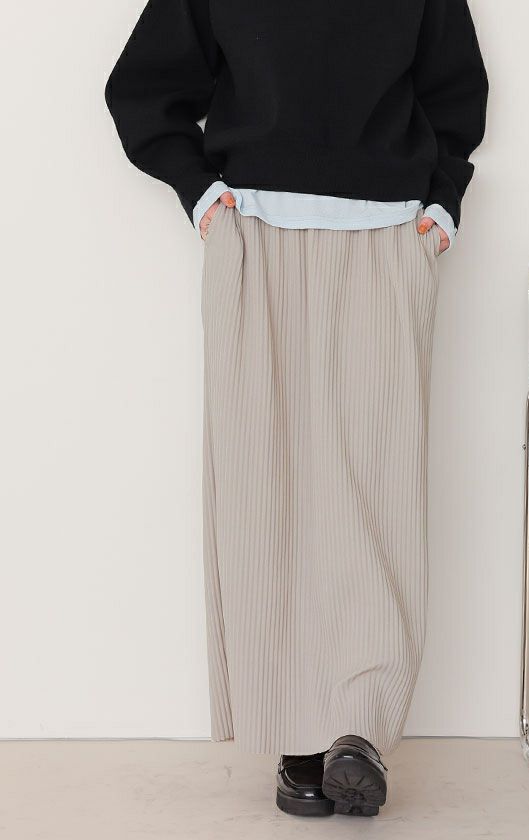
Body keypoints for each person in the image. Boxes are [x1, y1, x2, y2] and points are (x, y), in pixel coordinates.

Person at [105, 0, 487, 818]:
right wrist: (200, 195)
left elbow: (456, 97)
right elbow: (143, 89)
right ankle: (297, 739)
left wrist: (442, 205)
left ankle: (358, 726)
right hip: (256, 234)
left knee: (375, 492)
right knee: (265, 493)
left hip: (387, 239)